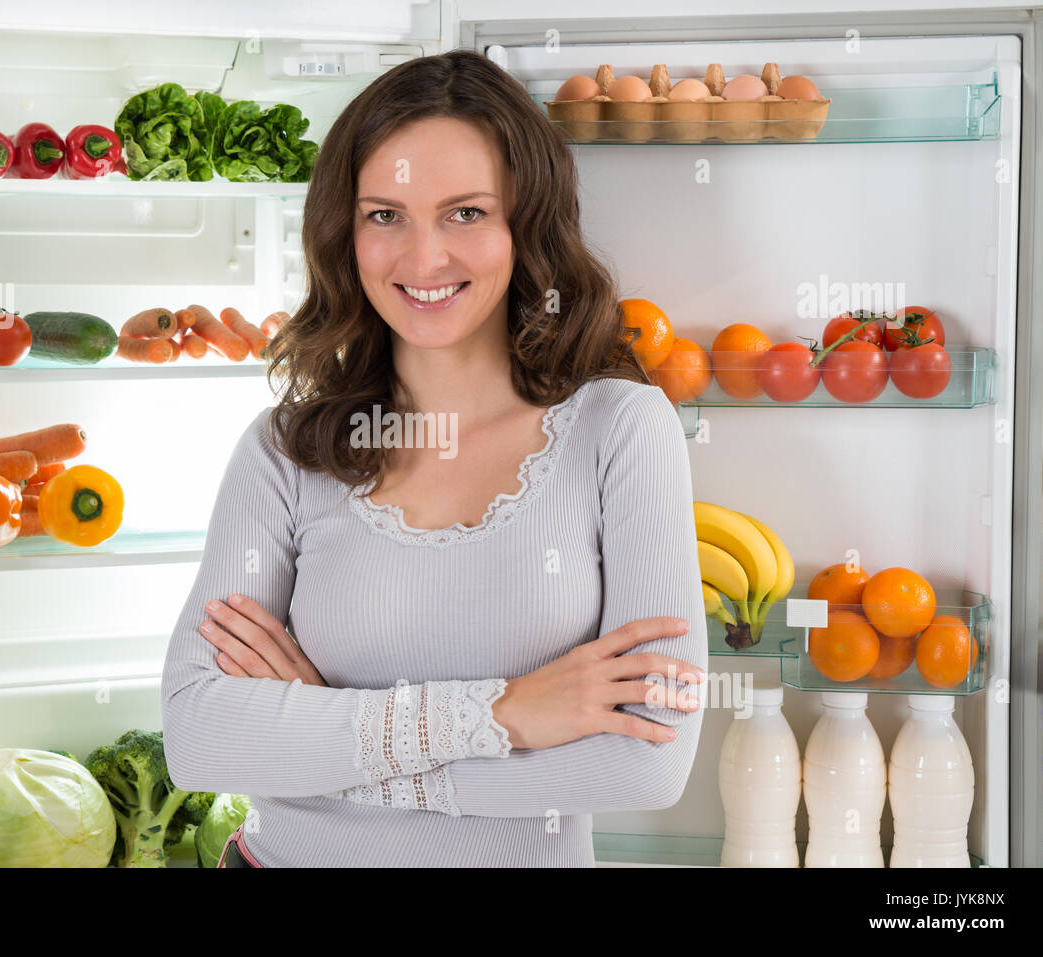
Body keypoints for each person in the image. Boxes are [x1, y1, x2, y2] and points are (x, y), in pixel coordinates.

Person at [161, 49, 707, 867]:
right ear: (344, 233)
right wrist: (507, 711)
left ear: (527, 223)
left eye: (466, 213)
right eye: (385, 214)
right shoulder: (284, 450)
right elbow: (200, 738)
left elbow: (648, 759)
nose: (424, 260)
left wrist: (326, 741)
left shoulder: (622, 430)